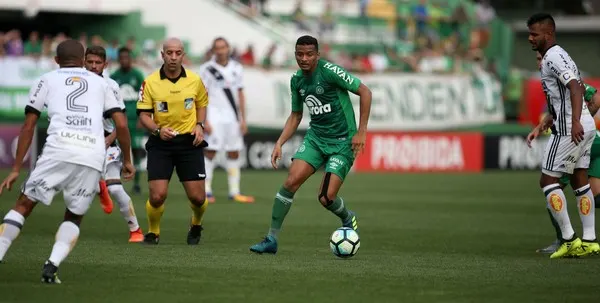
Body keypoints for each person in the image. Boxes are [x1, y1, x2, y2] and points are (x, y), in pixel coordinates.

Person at [0, 39, 134, 283]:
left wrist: (16, 168)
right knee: (73, 215)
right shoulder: (102, 83)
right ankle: (51, 266)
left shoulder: (46, 79)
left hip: (58, 150)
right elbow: (122, 124)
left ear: (56, 60)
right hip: (92, 155)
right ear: (83, 60)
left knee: (23, 205)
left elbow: (29, 125)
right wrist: (127, 159)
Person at [249, 35, 372, 254]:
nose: (304, 58)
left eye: (309, 54)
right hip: (316, 139)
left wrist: (361, 132)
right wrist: (280, 142)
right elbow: (296, 116)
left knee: (325, 198)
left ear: (317, 55)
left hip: (343, 141)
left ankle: (347, 217)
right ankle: (271, 239)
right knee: (290, 183)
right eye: (299, 54)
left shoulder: (330, 72)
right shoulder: (297, 80)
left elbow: (365, 92)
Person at [527, 13, 598, 259]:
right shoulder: (561, 54)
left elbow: (575, 88)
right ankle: (589, 239)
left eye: (534, 34)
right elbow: (565, 94)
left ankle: (568, 239)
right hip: (585, 125)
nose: (530, 38)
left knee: (548, 181)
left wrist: (575, 120)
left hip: (571, 127)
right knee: (580, 180)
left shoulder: (553, 57)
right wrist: (547, 120)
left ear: (548, 34)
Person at [136, 38, 209, 245]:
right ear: (162, 55)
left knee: (198, 199)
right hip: (161, 144)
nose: (174, 57)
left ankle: (196, 224)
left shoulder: (195, 80)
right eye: (170, 53)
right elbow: (143, 116)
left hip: (189, 143)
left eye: (178, 53)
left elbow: (202, 104)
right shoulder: (150, 82)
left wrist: (200, 125)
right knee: (158, 196)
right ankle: (153, 232)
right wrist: (158, 130)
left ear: (183, 55)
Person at [84, 45, 144, 243]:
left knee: (116, 189)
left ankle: (135, 230)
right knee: (74, 189)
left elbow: (122, 121)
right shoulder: (75, 84)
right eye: (90, 62)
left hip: (107, 142)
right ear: (83, 62)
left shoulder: (111, 86)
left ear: (105, 64)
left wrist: (110, 138)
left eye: (97, 63)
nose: (93, 66)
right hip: (81, 143)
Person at [199, 37, 254, 204]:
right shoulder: (206, 69)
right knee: (210, 150)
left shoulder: (237, 68)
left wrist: (243, 119)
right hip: (214, 115)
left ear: (228, 48)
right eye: (217, 48)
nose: (221, 50)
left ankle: (234, 191)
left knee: (234, 151)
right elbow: (201, 95)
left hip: (233, 117)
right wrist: (204, 120)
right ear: (213, 50)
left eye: (223, 47)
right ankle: (206, 190)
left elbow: (240, 94)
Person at [111, 47, 146, 194]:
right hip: (119, 120)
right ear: (119, 59)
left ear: (131, 59)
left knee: (137, 151)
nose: (125, 60)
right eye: (122, 57)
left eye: (127, 57)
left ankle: (137, 183)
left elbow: (144, 97)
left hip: (134, 119)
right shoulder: (114, 76)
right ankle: (115, 183)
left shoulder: (137, 75)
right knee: (117, 152)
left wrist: (142, 117)